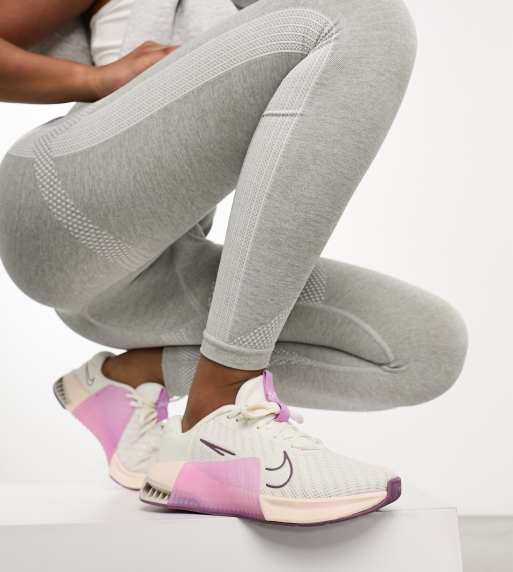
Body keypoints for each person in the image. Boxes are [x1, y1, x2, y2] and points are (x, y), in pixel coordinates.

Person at [0, 0, 467, 525]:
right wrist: (93, 80)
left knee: (426, 350)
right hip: (59, 208)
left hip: (142, 285)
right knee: (367, 18)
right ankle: (223, 412)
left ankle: (126, 377)